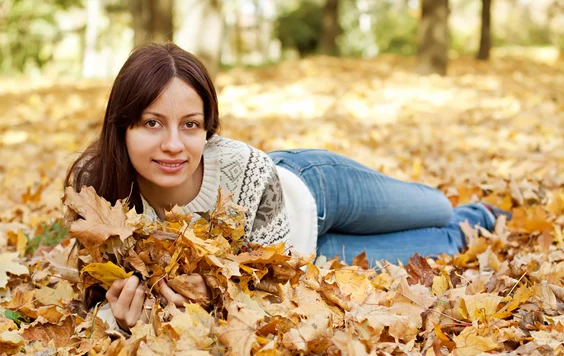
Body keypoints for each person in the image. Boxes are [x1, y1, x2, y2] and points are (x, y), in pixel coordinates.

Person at [66, 42, 508, 331]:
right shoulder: (99, 195)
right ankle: (480, 219)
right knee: (446, 240)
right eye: (151, 123)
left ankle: (464, 209)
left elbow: (256, 265)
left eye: (191, 124)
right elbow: (98, 296)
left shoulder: (241, 165)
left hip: (315, 190)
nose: (173, 145)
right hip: (307, 260)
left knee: (435, 208)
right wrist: (119, 319)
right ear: (122, 126)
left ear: (208, 128)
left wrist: (213, 292)